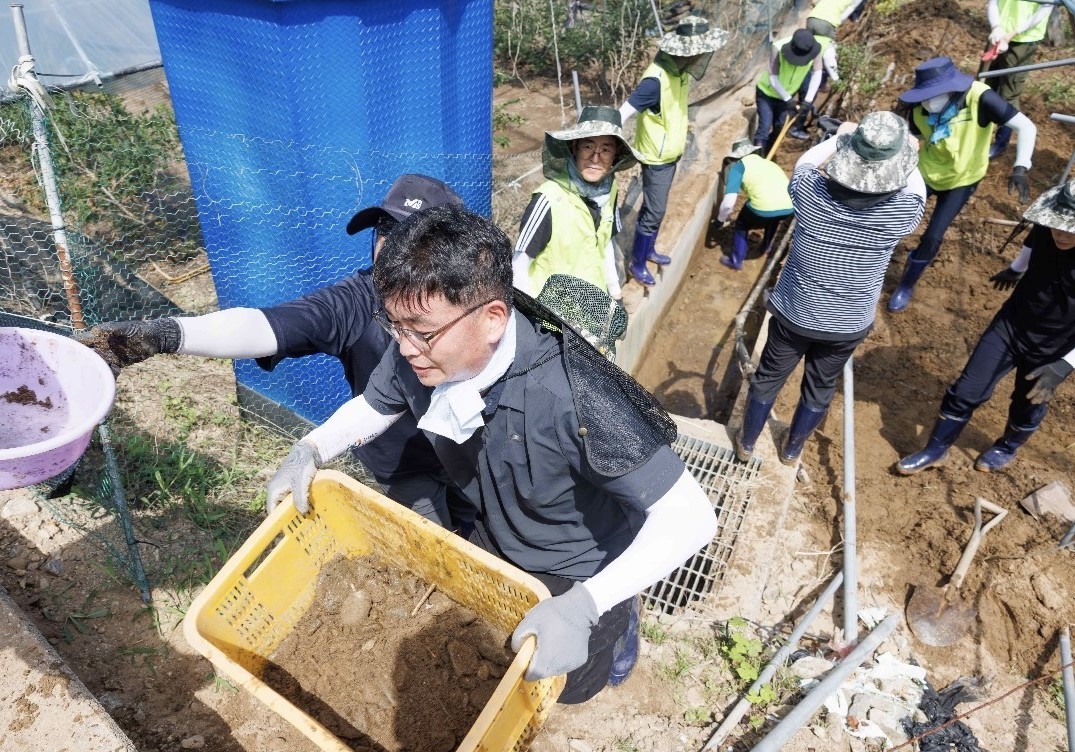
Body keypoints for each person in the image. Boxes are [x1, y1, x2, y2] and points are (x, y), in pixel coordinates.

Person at [265, 204, 717, 703]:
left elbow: (690, 515)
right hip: (496, 531)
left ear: (493, 319)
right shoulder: (417, 348)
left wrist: (586, 606)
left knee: (567, 686)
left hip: (579, 566)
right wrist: (311, 448)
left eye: (420, 331)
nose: (404, 345)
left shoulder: (574, 393)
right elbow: (377, 403)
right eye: (393, 325)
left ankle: (622, 620)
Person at [76, 174, 467, 529]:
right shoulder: (359, 298)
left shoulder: (478, 304)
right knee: (441, 549)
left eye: (411, 234)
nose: (389, 244)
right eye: (385, 228)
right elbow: (264, 326)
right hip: (406, 466)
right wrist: (160, 335)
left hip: (477, 456)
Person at [735, 112, 926, 465]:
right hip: (847, 324)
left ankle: (747, 443)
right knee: (820, 386)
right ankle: (792, 449)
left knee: (768, 378)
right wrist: (907, 155)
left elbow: (807, 162)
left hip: (795, 312)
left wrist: (841, 135)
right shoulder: (900, 213)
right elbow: (917, 189)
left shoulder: (809, 194)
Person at [895, 179, 1075, 474]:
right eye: (1057, 224)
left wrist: (1065, 365)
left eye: (1070, 229)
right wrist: (1016, 269)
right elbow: (1032, 244)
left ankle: (1007, 446)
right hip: (1011, 324)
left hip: (1055, 348)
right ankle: (936, 449)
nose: (1060, 233)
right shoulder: (1047, 225)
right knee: (966, 389)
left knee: (1027, 402)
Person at [888, 56, 1037, 312]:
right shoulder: (916, 109)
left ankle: (906, 284)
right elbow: (905, 139)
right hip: (925, 171)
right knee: (892, 216)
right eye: (924, 96)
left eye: (934, 95)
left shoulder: (979, 98)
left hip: (963, 178)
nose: (928, 102)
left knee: (933, 235)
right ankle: (873, 260)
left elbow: (1025, 126)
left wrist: (1020, 167)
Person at [618, 16, 729, 287]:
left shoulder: (679, 75)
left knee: (659, 208)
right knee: (654, 211)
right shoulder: (655, 82)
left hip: (670, 154)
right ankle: (637, 263)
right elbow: (623, 112)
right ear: (686, 53)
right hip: (656, 158)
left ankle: (649, 249)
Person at [512, 106, 641, 300]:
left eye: (606, 149)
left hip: (590, 309)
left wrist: (615, 293)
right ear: (574, 148)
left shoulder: (609, 191)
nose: (595, 157)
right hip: (552, 317)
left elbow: (604, 244)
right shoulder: (549, 200)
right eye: (588, 146)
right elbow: (519, 266)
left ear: (615, 157)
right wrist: (536, 320)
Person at [983, 0, 1053, 159]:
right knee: (986, 87)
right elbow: (993, 2)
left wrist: (1012, 33)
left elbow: (1043, 10)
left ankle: (1001, 142)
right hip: (998, 35)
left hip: (1023, 40)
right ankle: (978, 133)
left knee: (1009, 94)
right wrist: (996, 26)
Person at [715, 138, 794, 270]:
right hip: (789, 207)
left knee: (741, 224)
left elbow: (728, 204)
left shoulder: (738, 167)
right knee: (773, 219)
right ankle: (766, 247)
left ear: (736, 157)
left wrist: (720, 220)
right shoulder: (770, 164)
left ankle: (736, 260)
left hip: (763, 208)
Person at [752, 29, 825, 153]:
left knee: (779, 127)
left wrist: (807, 101)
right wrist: (788, 99)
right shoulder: (778, 48)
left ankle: (768, 153)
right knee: (764, 127)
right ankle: (755, 159)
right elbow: (772, 77)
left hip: (786, 98)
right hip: (766, 94)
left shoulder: (814, 50)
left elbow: (817, 74)